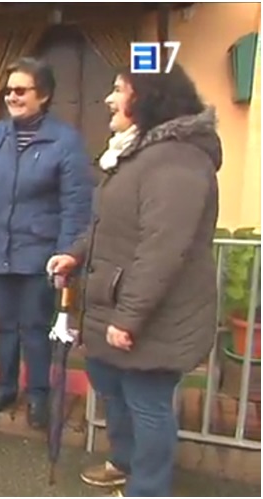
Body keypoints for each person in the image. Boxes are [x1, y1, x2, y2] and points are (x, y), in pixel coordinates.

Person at [47, 64, 221, 497]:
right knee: (114, 391)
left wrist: (130, 318)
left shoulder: (178, 158)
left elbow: (164, 248)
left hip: (153, 317)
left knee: (148, 405)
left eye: (120, 89)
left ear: (149, 99)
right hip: (116, 306)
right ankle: (124, 464)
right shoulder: (137, 152)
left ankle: (149, 488)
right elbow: (111, 223)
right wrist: (75, 253)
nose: (109, 99)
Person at [0, 57, 94, 429]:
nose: (12, 97)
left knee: (35, 328)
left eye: (21, 90)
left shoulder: (65, 141)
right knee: (4, 327)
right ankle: (4, 387)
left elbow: (76, 204)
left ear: (45, 95)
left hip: (40, 257)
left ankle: (38, 394)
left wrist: (67, 253)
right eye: (9, 91)